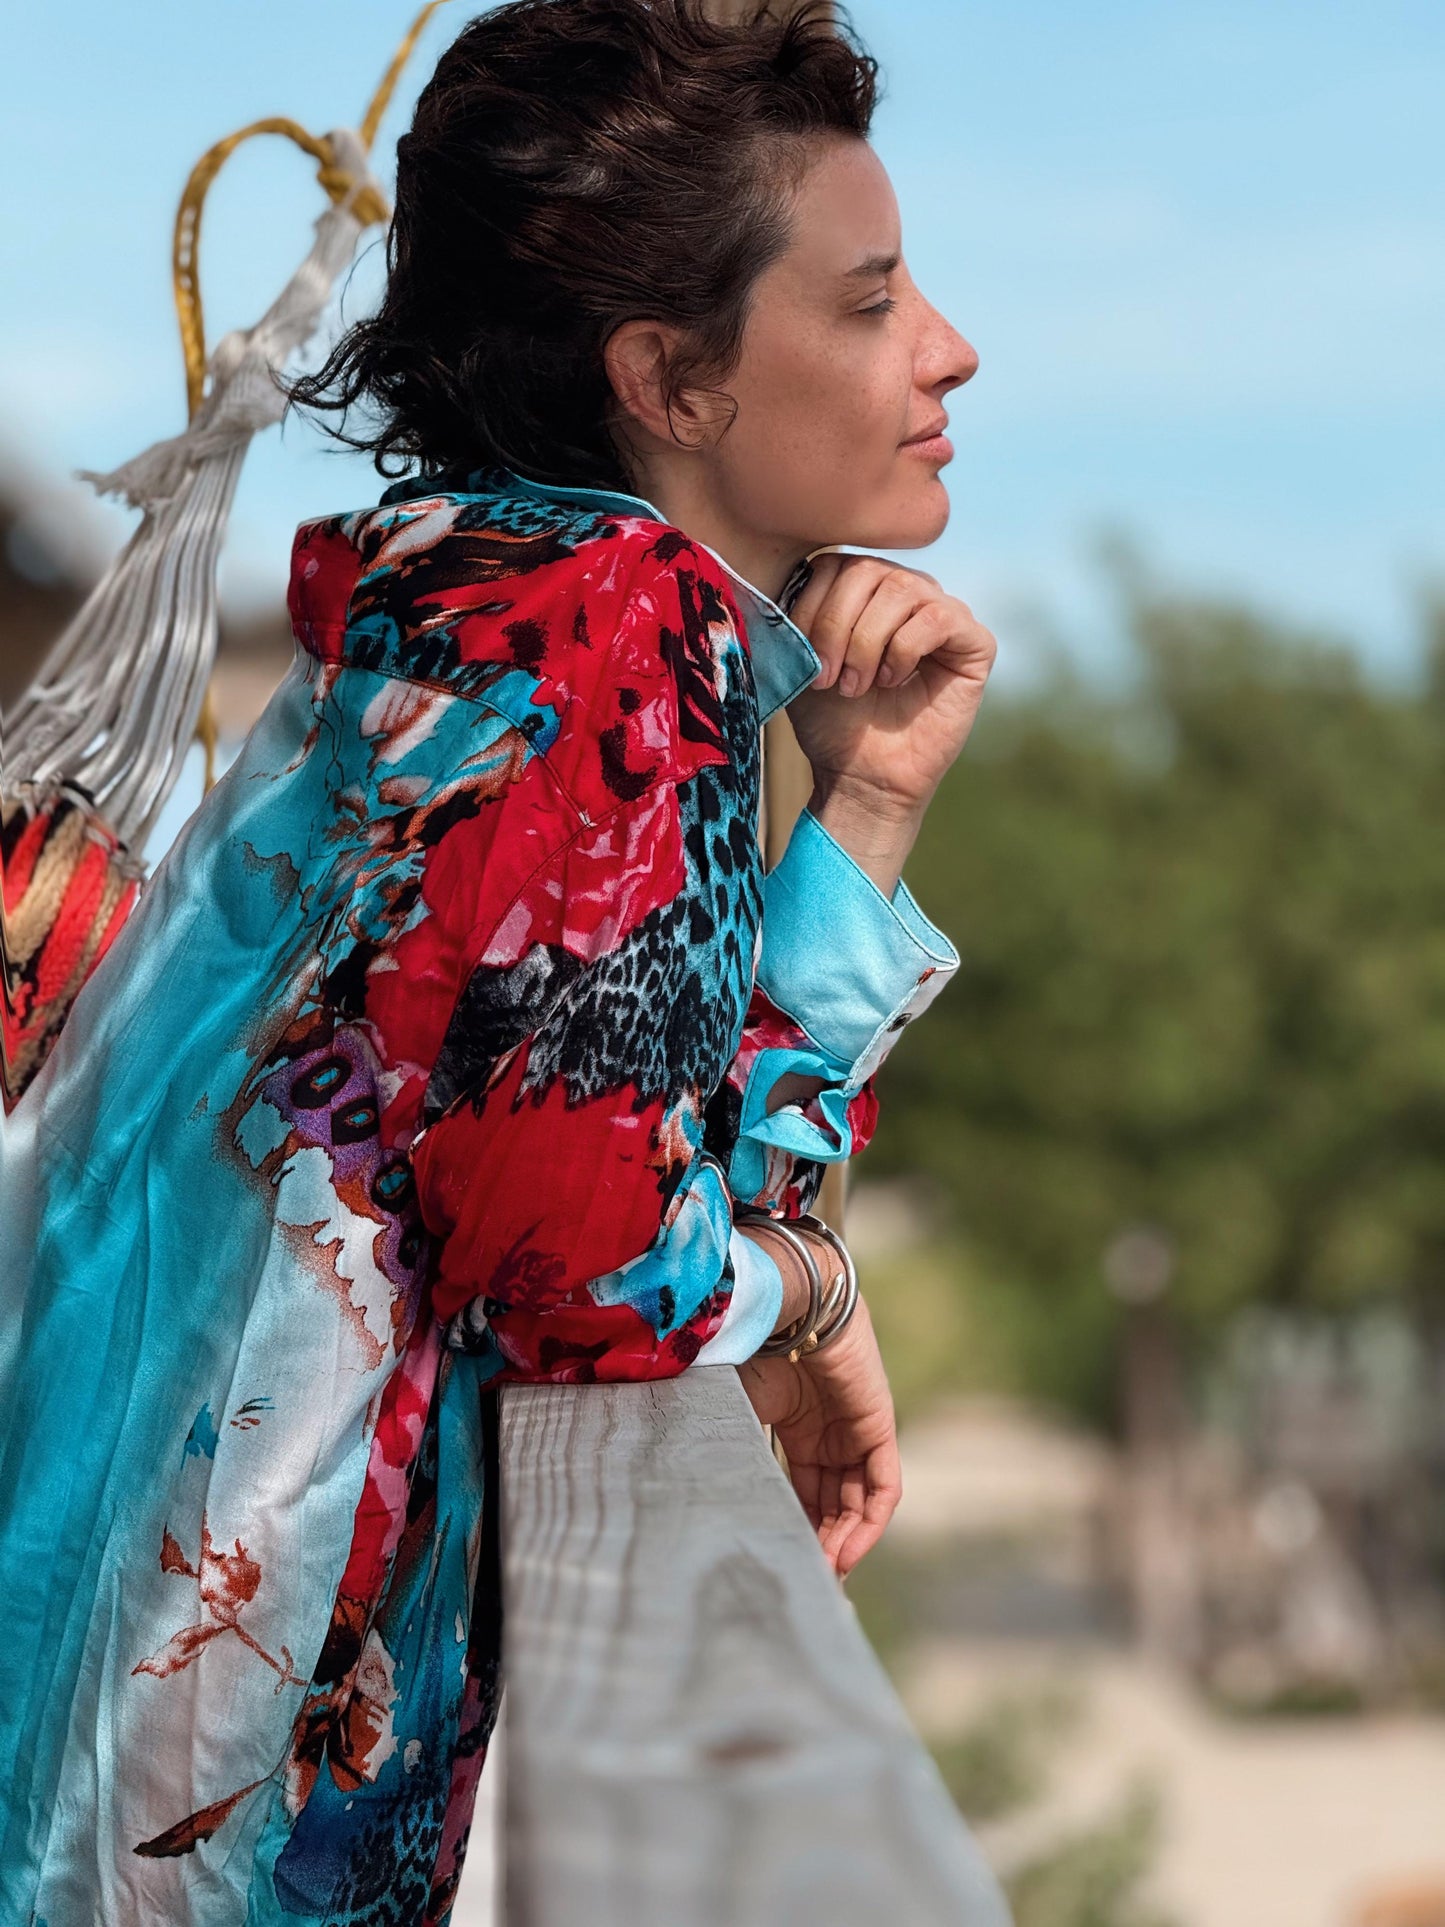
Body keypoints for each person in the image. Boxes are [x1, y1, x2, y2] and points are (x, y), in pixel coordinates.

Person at [0, 0, 994, 1919]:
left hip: (123, 1693)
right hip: (204, 1793)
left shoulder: (478, 615)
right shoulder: (615, 634)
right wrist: (807, 1291)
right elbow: (590, 1270)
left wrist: (860, 814)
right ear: (670, 380)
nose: (946, 347)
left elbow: (644, 1154)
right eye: (868, 302)